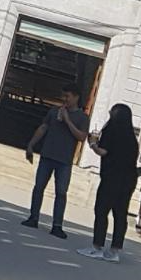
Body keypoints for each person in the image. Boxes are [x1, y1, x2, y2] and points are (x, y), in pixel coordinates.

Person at [20, 86, 90, 237]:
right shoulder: (54, 111)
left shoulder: (82, 117)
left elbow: (81, 137)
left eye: (68, 96)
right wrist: (31, 144)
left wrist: (67, 120)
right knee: (39, 187)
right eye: (63, 96)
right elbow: (43, 127)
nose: (65, 99)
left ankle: (57, 225)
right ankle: (33, 217)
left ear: (76, 97)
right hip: (47, 155)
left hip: (64, 160)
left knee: (61, 192)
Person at [78, 103, 141, 262]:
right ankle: (115, 251)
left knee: (101, 210)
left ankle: (97, 246)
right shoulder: (131, 137)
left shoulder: (111, 130)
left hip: (112, 177)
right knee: (120, 214)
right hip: (128, 179)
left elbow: (103, 151)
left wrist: (93, 143)